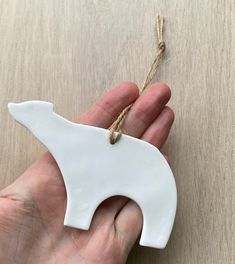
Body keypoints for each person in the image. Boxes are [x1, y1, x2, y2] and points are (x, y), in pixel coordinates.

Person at [0, 81, 174, 264]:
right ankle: (83, 218)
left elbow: (83, 187)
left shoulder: (73, 144)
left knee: (154, 207)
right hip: (150, 172)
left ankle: (154, 234)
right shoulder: (71, 144)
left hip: (152, 174)